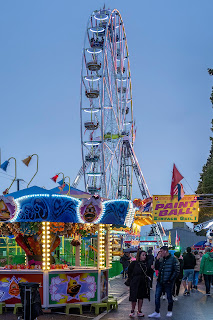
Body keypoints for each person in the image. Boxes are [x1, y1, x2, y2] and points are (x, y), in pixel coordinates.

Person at [148, 246, 179, 318]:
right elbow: (157, 268)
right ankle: (156, 312)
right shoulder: (161, 259)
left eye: (161, 251)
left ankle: (169, 310)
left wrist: (170, 280)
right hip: (160, 281)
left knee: (169, 297)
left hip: (168, 282)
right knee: (157, 296)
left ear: (165, 251)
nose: (160, 253)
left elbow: (176, 271)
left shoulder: (173, 259)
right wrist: (157, 260)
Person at [128, 250, 152, 318]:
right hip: (135, 282)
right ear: (139, 256)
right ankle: (132, 311)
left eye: (145, 255)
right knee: (133, 297)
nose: (144, 257)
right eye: (143, 255)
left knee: (141, 297)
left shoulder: (146, 264)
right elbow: (129, 271)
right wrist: (132, 279)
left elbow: (148, 272)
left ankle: (139, 311)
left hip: (142, 282)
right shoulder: (134, 263)